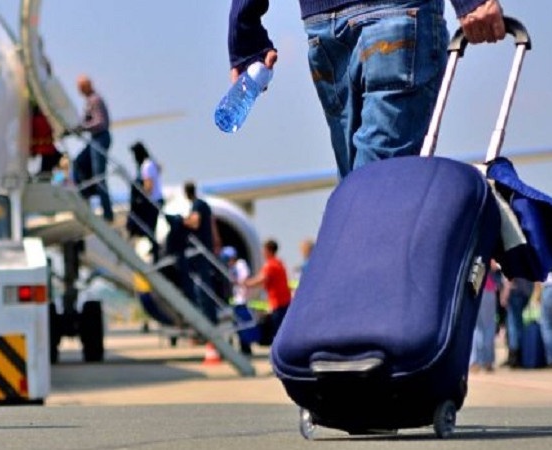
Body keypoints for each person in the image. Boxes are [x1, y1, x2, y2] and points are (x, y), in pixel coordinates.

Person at [226, 0, 506, 178]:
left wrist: (244, 24)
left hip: (324, 26)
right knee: (374, 190)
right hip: (397, 13)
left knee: (358, 187)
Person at [72, 74, 114, 222]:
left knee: (99, 177)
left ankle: (107, 213)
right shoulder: (90, 101)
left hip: (100, 138)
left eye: (81, 88)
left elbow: (100, 123)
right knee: (79, 163)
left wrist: (83, 127)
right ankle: (87, 193)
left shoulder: (95, 100)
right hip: (95, 139)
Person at [182, 181, 220, 324]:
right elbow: (212, 223)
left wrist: (181, 221)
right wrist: (216, 240)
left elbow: (195, 222)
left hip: (200, 250)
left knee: (201, 285)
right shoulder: (204, 205)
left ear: (186, 193)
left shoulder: (197, 205)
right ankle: (211, 316)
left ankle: (208, 318)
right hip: (206, 248)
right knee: (205, 283)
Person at [243, 239, 292, 338]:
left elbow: (261, 279)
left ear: (268, 251)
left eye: (263, 250)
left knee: (277, 330)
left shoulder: (270, 265)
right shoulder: (279, 263)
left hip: (278, 303)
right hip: (285, 301)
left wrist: (246, 283)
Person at [126, 141, 164, 261]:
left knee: (147, 228)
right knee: (150, 229)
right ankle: (155, 252)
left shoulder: (146, 166)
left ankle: (156, 252)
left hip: (152, 202)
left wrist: (140, 197)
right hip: (156, 200)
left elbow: (148, 186)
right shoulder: (151, 164)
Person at [470, 259, 501, 373]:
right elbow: (494, 264)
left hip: (476, 284)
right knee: (488, 326)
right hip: (488, 287)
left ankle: (475, 361)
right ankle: (487, 360)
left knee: (476, 327)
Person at [500, 276, 537, 368]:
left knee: (513, 325)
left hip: (515, 291)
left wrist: (505, 293)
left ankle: (514, 357)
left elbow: (510, 275)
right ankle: (519, 356)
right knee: (518, 324)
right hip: (526, 291)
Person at [29, 103, 62, 179]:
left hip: (41, 150)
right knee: (49, 171)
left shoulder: (33, 120)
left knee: (45, 172)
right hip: (49, 150)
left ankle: (53, 179)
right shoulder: (46, 119)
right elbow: (52, 131)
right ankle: (56, 180)